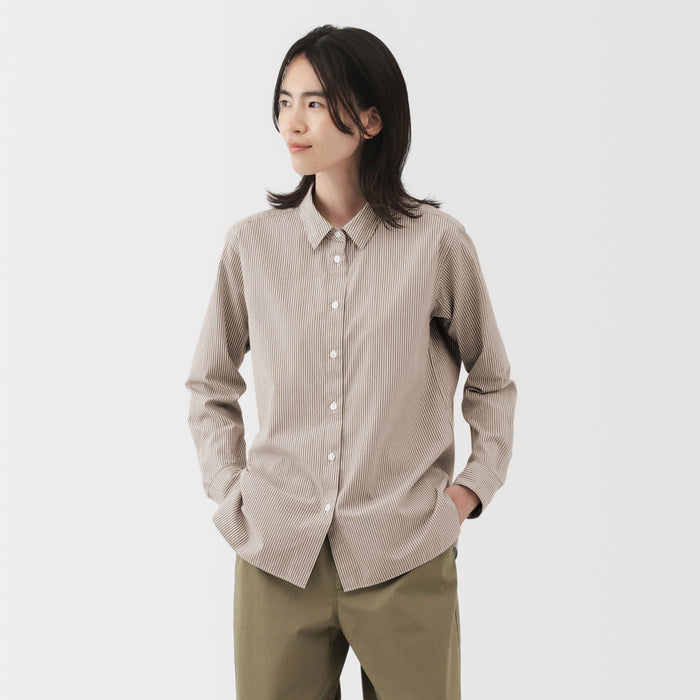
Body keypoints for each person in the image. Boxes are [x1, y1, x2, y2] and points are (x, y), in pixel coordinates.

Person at [185, 24, 517, 700]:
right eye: (285, 101)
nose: (292, 122)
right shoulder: (251, 247)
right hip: (278, 555)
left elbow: (492, 381)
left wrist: (469, 492)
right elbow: (210, 385)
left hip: (405, 550)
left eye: (315, 102)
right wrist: (231, 490)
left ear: (371, 119)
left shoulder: (437, 245)